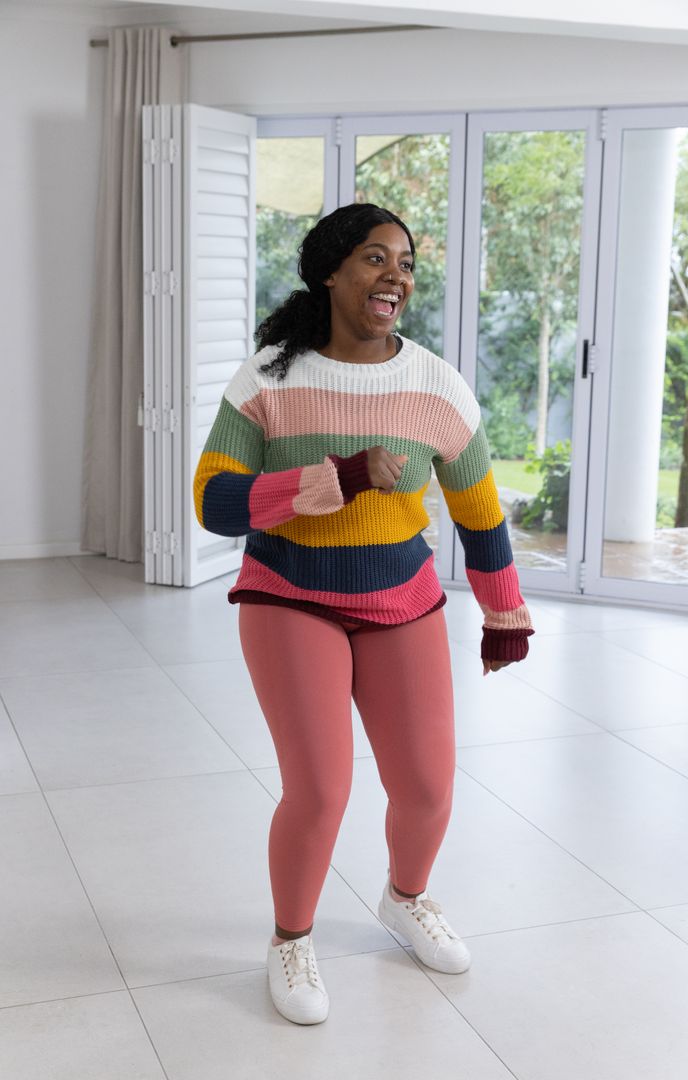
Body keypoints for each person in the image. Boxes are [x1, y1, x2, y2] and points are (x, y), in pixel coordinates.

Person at [194, 203, 533, 1026]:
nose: (396, 277)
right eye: (376, 259)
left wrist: (504, 613)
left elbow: (480, 511)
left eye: (407, 264)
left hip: (401, 599)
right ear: (330, 272)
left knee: (426, 787)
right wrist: (334, 477)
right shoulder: (269, 378)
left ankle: (405, 898)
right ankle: (290, 940)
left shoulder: (435, 384)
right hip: (289, 595)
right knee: (321, 790)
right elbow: (214, 501)